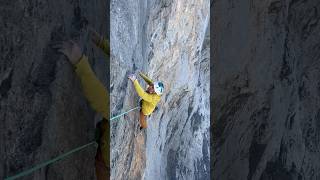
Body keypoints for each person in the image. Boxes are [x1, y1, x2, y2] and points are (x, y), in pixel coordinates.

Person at [52, 28, 109, 180]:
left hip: (106, 164)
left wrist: (80, 63)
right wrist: (102, 43)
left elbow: (104, 102)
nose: (150, 88)